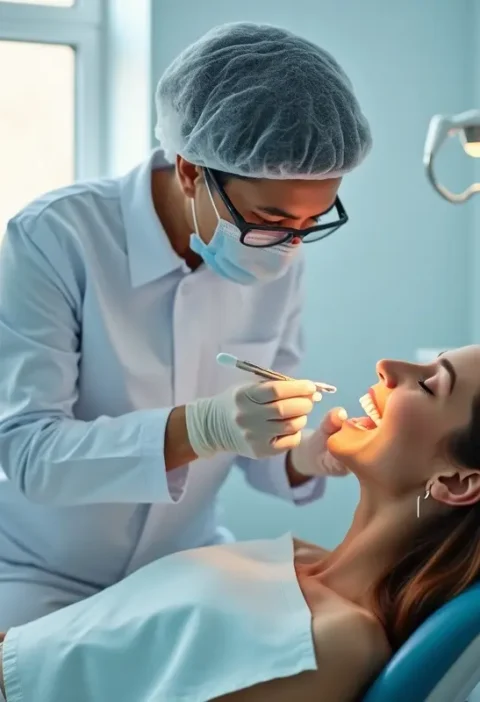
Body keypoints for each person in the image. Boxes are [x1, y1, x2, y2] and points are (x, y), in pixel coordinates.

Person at [0, 21, 371, 629]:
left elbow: (253, 451)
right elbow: (30, 454)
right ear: (192, 170)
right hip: (35, 573)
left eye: (310, 224)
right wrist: (201, 427)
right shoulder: (56, 238)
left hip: (182, 563)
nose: (287, 247)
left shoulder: (281, 254)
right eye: (269, 219)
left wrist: (305, 453)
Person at [1, 346, 480, 702]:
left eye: (430, 384)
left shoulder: (338, 640)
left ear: (457, 482)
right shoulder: (298, 558)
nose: (389, 366)